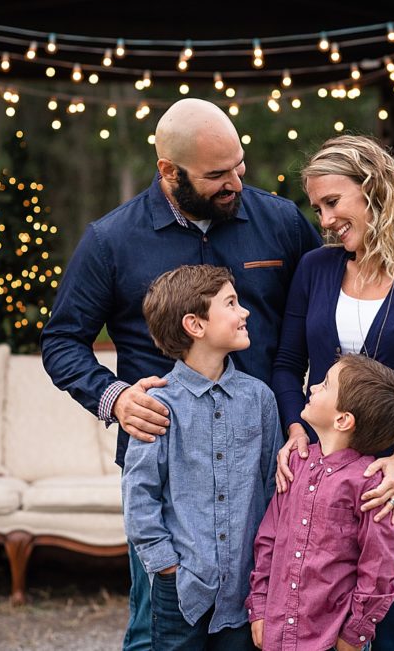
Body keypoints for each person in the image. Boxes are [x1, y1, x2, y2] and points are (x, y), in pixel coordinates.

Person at [41, 98, 321, 651]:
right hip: (169, 471)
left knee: (258, 627)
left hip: (265, 466)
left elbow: (322, 320)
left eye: (239, 166)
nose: (235, 183)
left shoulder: (282, 222)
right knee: (162, 633)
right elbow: (61, 341)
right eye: (216, 175)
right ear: (169, 171)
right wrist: (115, 398)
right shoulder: (111, 240)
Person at [272, 135, 394, 650]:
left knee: (389, 638)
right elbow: (289, 364)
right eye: (317, 208)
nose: (325, 220)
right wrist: (296, 427)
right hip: (319, 491)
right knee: (312, 632)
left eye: (333, 202)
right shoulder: (316, 268)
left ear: (374, 189)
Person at [124, 265, 279, 649]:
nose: (244, 312)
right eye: (231, 303)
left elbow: (275, 488)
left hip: (245, 591)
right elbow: (139, 495)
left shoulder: (260, 399)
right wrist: (166, 566)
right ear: (195, 325)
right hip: (180, 590)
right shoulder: (158, 405)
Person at [248, 354, 394, 651]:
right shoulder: (294, 465)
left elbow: (379, 568)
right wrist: (259, 607)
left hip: (329, 640)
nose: (312, 388)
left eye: (324, 384)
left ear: (343, 419)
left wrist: (355, 633)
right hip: (277, 633)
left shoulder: (372, 485)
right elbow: (268, 539)